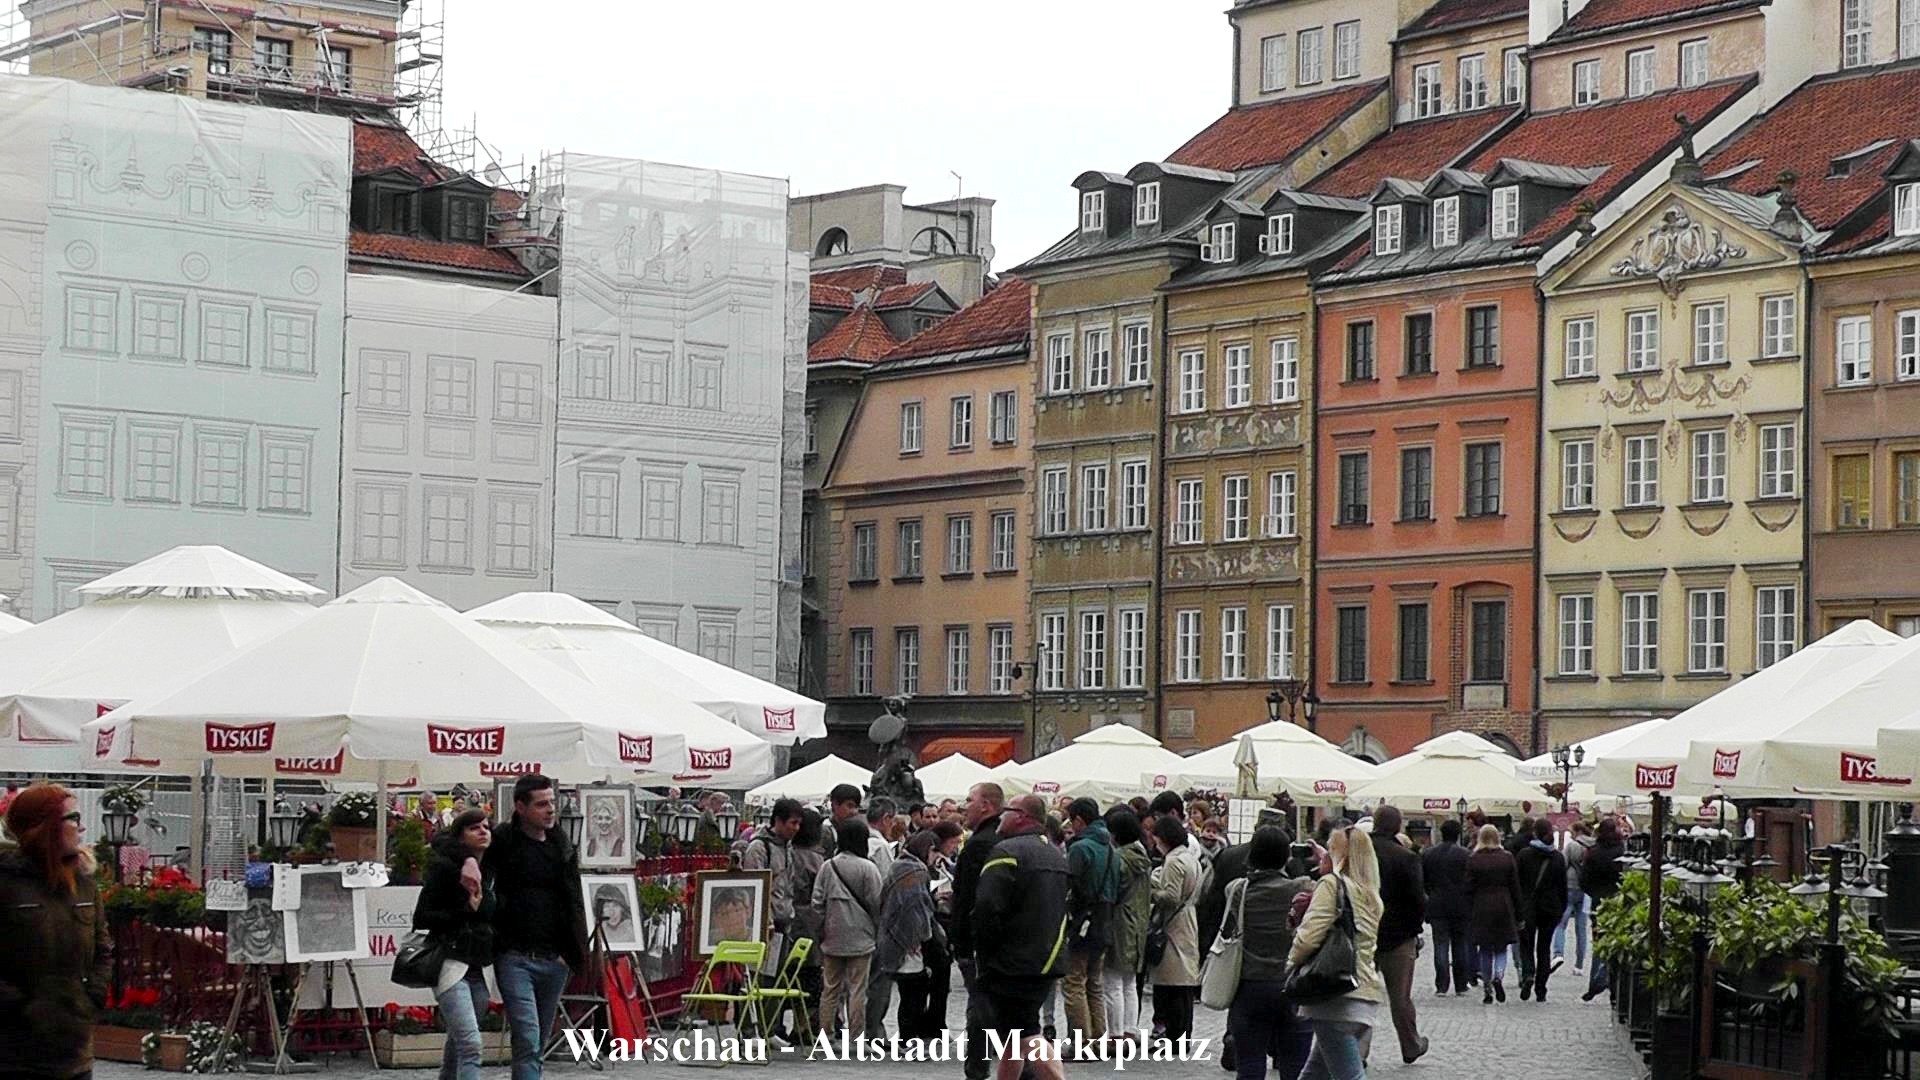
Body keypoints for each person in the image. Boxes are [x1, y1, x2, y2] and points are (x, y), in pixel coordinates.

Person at [0, 784, 111, 1080]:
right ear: (44, 826)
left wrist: (92, 997)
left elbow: (103, 947)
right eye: (73, 818)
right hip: (15, 1054)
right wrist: (25, 1007)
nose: (83, 826)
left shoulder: (84, 883)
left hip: (75, 1054)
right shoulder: (6, 883)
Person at [486, 775, 589, 1080]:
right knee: (528, 1038)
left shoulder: (561, 846)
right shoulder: (503, 840)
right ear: (520, 806)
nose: (550, 810)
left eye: (552, 803)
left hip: (554, 959)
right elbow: (457, 843)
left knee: (538, 1040)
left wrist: (569, 953)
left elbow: (573, 900)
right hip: (515, 955)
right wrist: (467, 862)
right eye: (542, 804)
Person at [971, 795, 1070, 1080]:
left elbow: (987, 907)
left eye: (1006, 812)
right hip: (1046, 956)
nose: (1000, 817)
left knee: (1025, 1033)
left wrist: (985, 953)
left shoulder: (1007, 851)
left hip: (1012, 960)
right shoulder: (1055, 854)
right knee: (1013, 1036)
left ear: (1021, 816)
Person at [1287, 827, 1384, 1080]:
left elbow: (1309, 936)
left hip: (1336, 999)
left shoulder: (1331, 885)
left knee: (1349, 1076)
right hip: (1363, 992)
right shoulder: (1369, 893)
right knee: (1314, 1074)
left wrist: (1291, 963)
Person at [413, 809, 496, 1080]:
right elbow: (422, 916)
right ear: (461, 836)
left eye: (486, 826)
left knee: (456, 1045)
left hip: (480, 966)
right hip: (451, 963)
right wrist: (465, 910)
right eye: (474, 828)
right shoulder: (446, 868)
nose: (483, 831)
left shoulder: (491, 871)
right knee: (471, 1045)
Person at [1227, 827, 1313, 1080]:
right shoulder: (1302, 887)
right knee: (1295, 1067)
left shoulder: (1236, 891)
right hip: (1292, 984)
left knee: (1250, 1064)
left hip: (1250, 985)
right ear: (1287, 856)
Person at [953, 782, 1006, 1080]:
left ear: (986, 805)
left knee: (981, 1005)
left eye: (969, 800)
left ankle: (978, 1067)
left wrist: (963, 937)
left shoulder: (980, 843)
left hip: (976, 939)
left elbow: (974, 895)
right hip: (996, 938)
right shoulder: (999, 838)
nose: (964, 806)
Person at [1368, 806, 1429, 1063]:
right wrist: (1415, 930)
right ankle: (1410, 1044)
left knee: (1360, 994)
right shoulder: (1405, 857)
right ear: (1398, 827)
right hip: (1398, 935)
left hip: (1364, 932)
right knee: (1400, 997)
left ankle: (1357, 1051)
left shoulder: (1360, 851)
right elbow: (1417, 900)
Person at [816, 816, 884, 1041]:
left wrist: (824, 925)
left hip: (832, 935)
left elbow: (817, 901)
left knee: (830, 989)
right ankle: (856, 1035)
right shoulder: (868, 868)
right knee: (857, 989)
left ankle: (826, 1033)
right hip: (861, 937)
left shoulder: (828, 866)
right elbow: (876, 902)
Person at [1058, 798, 1116, 1049]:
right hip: (1105, 918)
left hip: (1082, 919)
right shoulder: (1111, 847)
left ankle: (1081, 1042)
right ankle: (1099, 1040)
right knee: (1094, 981)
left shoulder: (1081, 848)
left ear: (1080, 820)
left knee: (1073, 981)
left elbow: (1068, 884)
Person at [1147, 814, 1202, 1046]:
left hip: (1173, 924)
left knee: (1172, 982)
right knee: (1184, 981)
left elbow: (1170, 897)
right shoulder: (1191, 858)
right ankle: (1182, 1034)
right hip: (1188, 919)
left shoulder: (1173, 861)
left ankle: (1174, 1035)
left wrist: (1151, 890)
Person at [886, 831, 943, 1043]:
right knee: (915, 994)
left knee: (908, 993)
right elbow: (917, 908)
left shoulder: (898, 865)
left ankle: (907, 1038)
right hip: (910, 942)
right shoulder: (917, 870)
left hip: (894, 935)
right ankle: (910, 1040)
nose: (936, 858)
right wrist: (922, 936)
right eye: (935, 852)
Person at [1102, 807, 1151, 1041]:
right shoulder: (1143, 856)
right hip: (1139, 921)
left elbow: (1113, 890)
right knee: (1130, 981)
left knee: (1112, 981)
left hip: (1120, 921)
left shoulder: (1119, 859)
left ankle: (1115, 1033)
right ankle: (1131, 1029)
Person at [1513, 818, 1568, 1002]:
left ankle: (1528, 974)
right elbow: (1563, 887)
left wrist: (1517, 906)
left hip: (1528, 907)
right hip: (1550, 909)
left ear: (1534, 833)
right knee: (1544, 948)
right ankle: (1541, 988)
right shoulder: (1558, 857)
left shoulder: (1524, 855)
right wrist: (1561, 909)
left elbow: (1517, 884)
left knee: (1526, 946)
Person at [1466, 824, 1522, 1004]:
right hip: (1503, 904)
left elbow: (1468, 888)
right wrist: (1519, 914)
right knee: (1501, 947)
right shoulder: (1507, 858)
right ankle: (1499, 976)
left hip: (1481, 905)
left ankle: (1487, 986)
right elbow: (1515, 887)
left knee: (1484, 949)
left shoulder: (1474, 859)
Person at [743, 798, 803, 964]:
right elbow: (753, 888)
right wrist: (766, 920)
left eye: (799, 824)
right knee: (763, 977)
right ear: (778, 820)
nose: (796, 828)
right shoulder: (759, 848)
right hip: (766, 927)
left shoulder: (788, 848)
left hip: (784, 924)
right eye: (793, 823)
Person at [786, 809, 829, 1032]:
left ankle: (794, 1024)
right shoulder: (817, 859)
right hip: (810, 921)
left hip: (790, 918)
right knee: (809, 975)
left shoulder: (789, 852)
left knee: (790, 973)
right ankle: (804, 1025)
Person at [1420, 818, 1474, 996]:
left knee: (1440, 945)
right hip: (1460, 905)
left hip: (1437, 904)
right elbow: (1470, 881)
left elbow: (1424, 881)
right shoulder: (1466, 855)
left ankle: (1441, 985)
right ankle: (1461, 984)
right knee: (1460, 945)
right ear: (1458, 834)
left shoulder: (1428, 854)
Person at [1580, 819, 1626, 1003]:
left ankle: (1595, 981)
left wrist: (1595, 893)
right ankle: (1613, 987)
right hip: (1618, 902)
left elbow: (1584, 881)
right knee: (1616, 942)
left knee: (1599, 943)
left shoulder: (1593, 853)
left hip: (1598, 903)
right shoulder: (1622, 852)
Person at [1555, 821, 1594, 973]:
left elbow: (1562, 864)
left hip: (1570, 887)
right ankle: (1579, 964)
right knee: (1581, 928)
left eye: (1571, 831)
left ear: (1577, 831)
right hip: (1586, 890)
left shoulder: (1572, 846)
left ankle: (1558, 954)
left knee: (1561, 923)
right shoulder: (1592, 846)